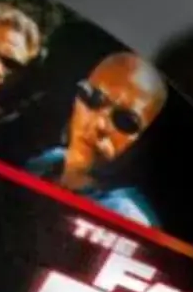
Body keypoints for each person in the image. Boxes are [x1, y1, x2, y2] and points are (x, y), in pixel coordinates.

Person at [28, 51, 169, 226]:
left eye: (126, 121)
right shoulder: (44, 163)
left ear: (140, 142)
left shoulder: (125, 217)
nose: (100, 124)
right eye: (93, 98)